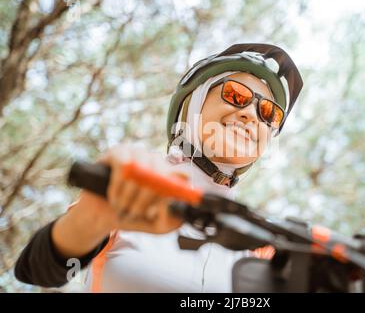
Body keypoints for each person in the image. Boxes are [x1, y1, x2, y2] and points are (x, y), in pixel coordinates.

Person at [14, 43, 303, 292]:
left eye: (268, 113)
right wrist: (95, 215)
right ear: (194, 103)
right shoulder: (135, 181)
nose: (251, 114)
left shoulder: (259, 244)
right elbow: (39, 271)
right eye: (236, 95)